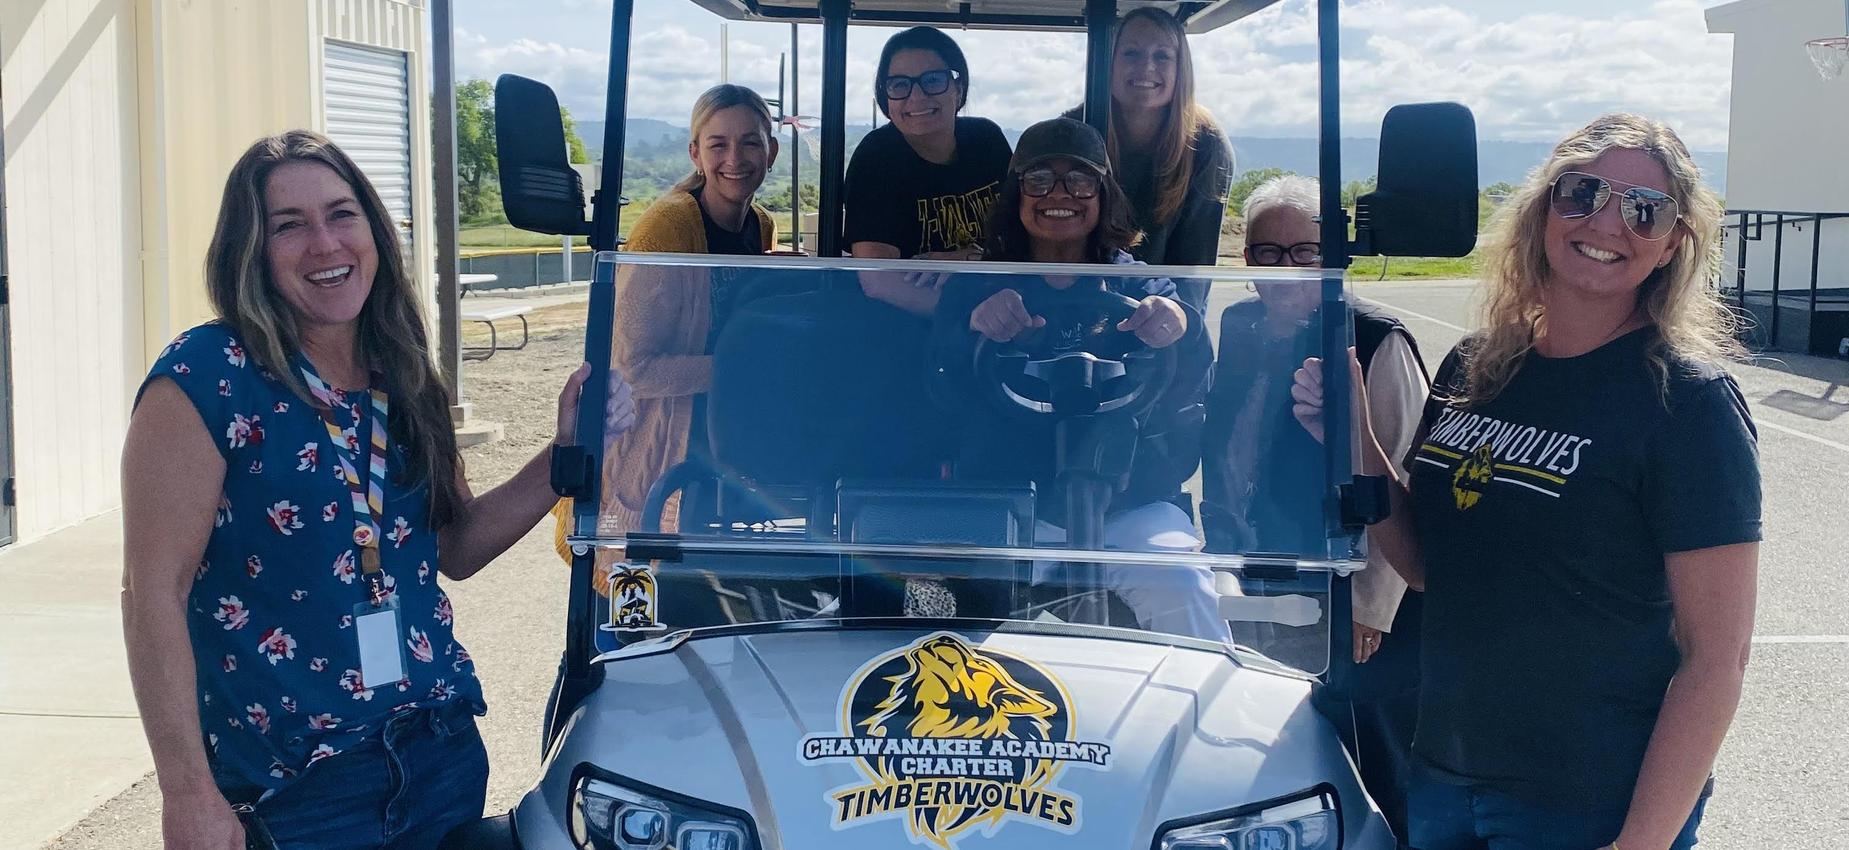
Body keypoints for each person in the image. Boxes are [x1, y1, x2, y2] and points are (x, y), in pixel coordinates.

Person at [120, 131, 635, 850]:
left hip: (437, 756)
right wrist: (186, 793)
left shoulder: (404, 371)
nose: (325, 244)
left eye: (342, 214)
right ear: (251, 251)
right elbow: (153, 594)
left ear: (374, 231)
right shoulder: (207, 377)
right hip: (297, 787)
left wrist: (564, 451)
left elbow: (455, 546)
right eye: (289, 226)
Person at [1292, 113, 1760, 850]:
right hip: (1443, 774)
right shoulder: (1476, 368)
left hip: (1586, 800)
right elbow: (1424, 569)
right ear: (1543, 207)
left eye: (1645, 209)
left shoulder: (1687, 404)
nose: (1608, 221)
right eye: (1582, 193)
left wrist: (1640, 842)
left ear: (1673, 241)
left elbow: (1716, 659)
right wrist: (1358, 444)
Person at [934, 117, 1221, 642]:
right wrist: (974, 326)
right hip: (1014, 508)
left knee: (1184, 586)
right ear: (1016, 194)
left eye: (1080, 180)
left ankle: (1203, 719)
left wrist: (1178, 323)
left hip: (1129, 502)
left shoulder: (1141, 282)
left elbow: (1192, 362)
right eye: (1039, 180)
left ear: (1103, 194)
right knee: (957, 625)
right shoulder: (976, 287)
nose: (1059, 195)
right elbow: (940, 381)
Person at [1202, 173, 1427, 841]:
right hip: (1262, 566)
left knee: (1366, 754)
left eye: (1303, 252)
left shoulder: (1374, 339)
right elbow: (1225, 445)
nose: (1285, 269)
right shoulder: (1238, 325)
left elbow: (1401, 473)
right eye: (1266, 253)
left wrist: (1370, 601)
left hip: (1348, 593)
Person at [550, 84, 779, 562]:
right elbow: (635, 368)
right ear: (696, 153)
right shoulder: (667, 229)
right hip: (659, 448)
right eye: (718, 144)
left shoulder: (760, 225)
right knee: (642, 600)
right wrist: (742, 371)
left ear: (772, 150)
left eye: (751, 142)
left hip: (721, 449)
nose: (734, 158)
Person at [1068, 7, 1233, 312]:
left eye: (1162, 56)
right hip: (1078, 303)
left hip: (1162, 311)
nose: (1146, 67)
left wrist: (1180, 334)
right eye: (1131, 53)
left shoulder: (1206, 145)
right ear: (1109, 61)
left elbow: (1194, 269)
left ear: (1181, 67)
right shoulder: (1074, 132)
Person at [845, 26, 1014, 315]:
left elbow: (1019, 237)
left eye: (932, 80)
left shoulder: (987, 141)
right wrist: (967, 316)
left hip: (1002, 301)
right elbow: (879, 281)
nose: (917, 97)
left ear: (958, 88)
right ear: (885, 98)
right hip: (908, 324)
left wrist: (971, 259)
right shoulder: (877, 159)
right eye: (900, 85)